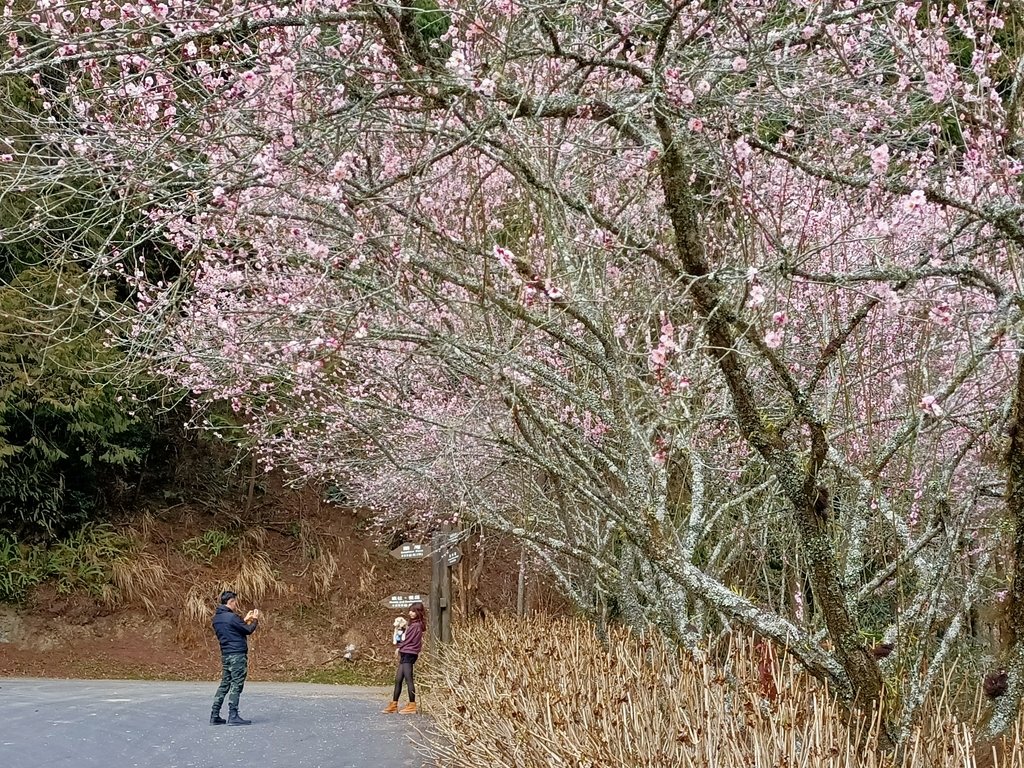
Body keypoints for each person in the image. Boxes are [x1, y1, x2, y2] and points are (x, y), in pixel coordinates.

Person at [210, 590, 260, 726]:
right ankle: (233, 715)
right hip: (237, 654)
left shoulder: (217, 619)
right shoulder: (232, 617)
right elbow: (248, 630)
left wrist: (244, 620)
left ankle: (214, 715)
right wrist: (255, 619)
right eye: (235, 602)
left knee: (224, 684)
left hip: (226, 654)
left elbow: (233, 628)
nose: (236, 604)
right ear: (230, 602)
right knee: (236, 684)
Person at [382, 601, 425, 714]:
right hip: (406, 652)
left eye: (413, 611)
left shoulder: (416, 626)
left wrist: (399, 647)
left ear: (418, 612)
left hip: (409, 654)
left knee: (408, 679)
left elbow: (408, 640)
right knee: (398, 679)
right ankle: (394, 704)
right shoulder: (414, 624)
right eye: (410, 611)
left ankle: (412, 705)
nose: (410, 613)